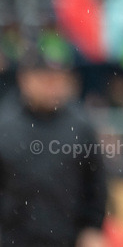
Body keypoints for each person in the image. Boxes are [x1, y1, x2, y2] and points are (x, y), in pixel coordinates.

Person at [0, 43, 107, 247]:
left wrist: (92, 228)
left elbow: (95, 184)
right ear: (25, 79)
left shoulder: (80, 126)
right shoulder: (5, 125)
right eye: (46, 79)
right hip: (14, 238)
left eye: (59, 79)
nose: (53, 87)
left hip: (67, 236)